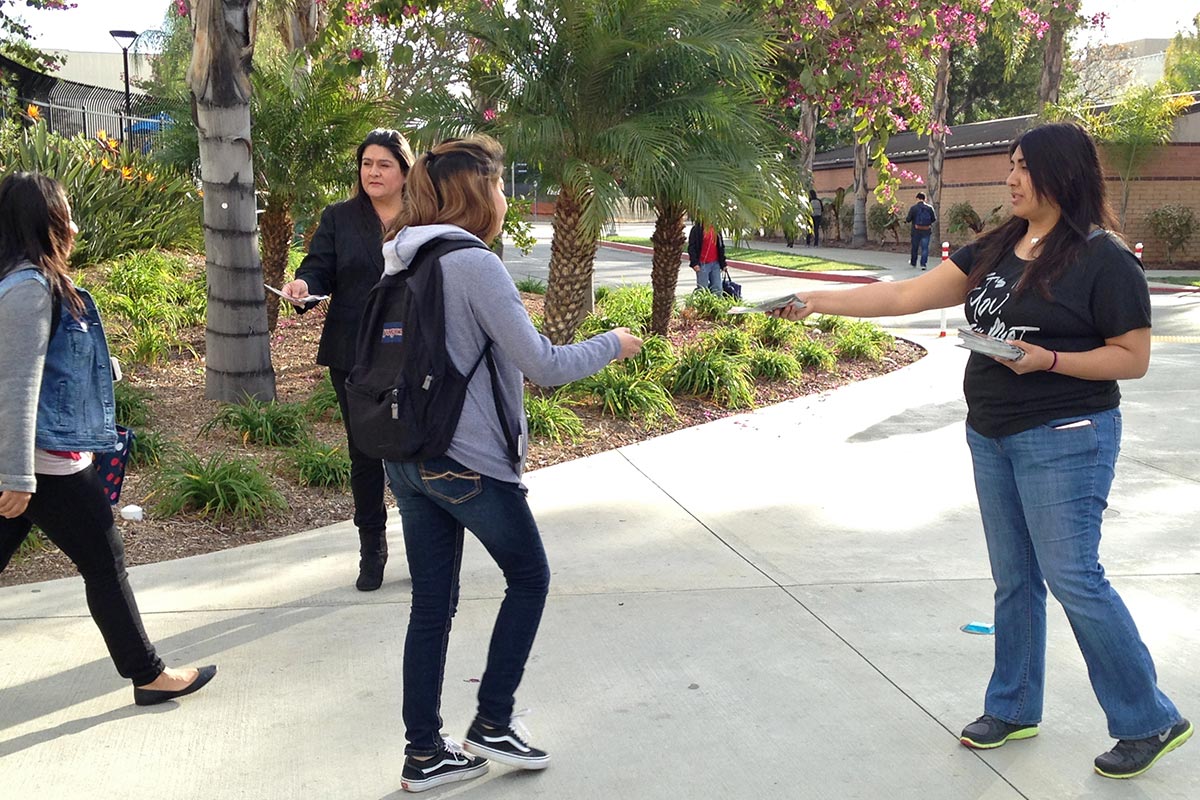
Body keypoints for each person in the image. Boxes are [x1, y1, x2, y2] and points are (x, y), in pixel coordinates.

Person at [771, 122, 1190, 780]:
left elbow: (1131, 358)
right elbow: (906, 293)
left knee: (1074, 577)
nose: (1012, 178)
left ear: (1065, 175)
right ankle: (1015, 705)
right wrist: (814, 298)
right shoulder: (998, 245)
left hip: (1066, 436)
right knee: (1015, 580)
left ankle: (1148, 717)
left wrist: (1047, 358)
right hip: (992, 432)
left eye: (1025, 167)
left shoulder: (1105, 258)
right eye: (1012, 165)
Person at [379, 135, 643, 793]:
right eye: (498, 186)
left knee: (431, 607)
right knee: (529, 576)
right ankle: (492, 720)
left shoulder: (401, 259)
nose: (505, 197)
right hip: (465, 463)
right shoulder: (472, 263)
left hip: (407, 456)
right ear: (476, 195)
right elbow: (544, 365)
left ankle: (424, 754)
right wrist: (614, 342)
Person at [0, 172, 217, 706]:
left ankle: (147, 674)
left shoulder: (16, 280)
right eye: (65, 212)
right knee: (105, 559)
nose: (74, 223)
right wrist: (17, 476)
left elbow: (45, 367)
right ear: (45, 222)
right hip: (43, 461)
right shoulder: (28, 287)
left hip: (34, 456)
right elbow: (17, 384)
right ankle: (148, 675)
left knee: (102, 560)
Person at [282, 128, 415, 592]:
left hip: (413, 350)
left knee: (413, 448)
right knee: (365, 452)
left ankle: (423, 544)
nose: (373, 172)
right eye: (366, 164)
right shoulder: (339, 217)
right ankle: (371, 550)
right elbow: (318, 269)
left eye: (384, 165)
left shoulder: (425, 215)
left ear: (404, 171)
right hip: (353, 353)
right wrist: (303, 288)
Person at [687, 218, 726, 294]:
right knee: (702, 290)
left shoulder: (716, 229)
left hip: (715, 264)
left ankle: (716, 305)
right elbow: (692, 247)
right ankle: (702, 305)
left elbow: (721, 246)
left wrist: (723, 263)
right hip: (702, 264)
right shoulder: (696, 229)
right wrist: (694, 263)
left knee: (718, 288)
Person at [905, 190, 937, 269]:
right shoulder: (929, 208)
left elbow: (908, 219)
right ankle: (923, 264)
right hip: (926, 231)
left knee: (915, 247)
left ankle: (913, 263)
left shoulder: (913, 208)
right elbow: (934, 219)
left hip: (915, 231)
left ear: (917, 198)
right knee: (925, 248)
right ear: (925, 199)